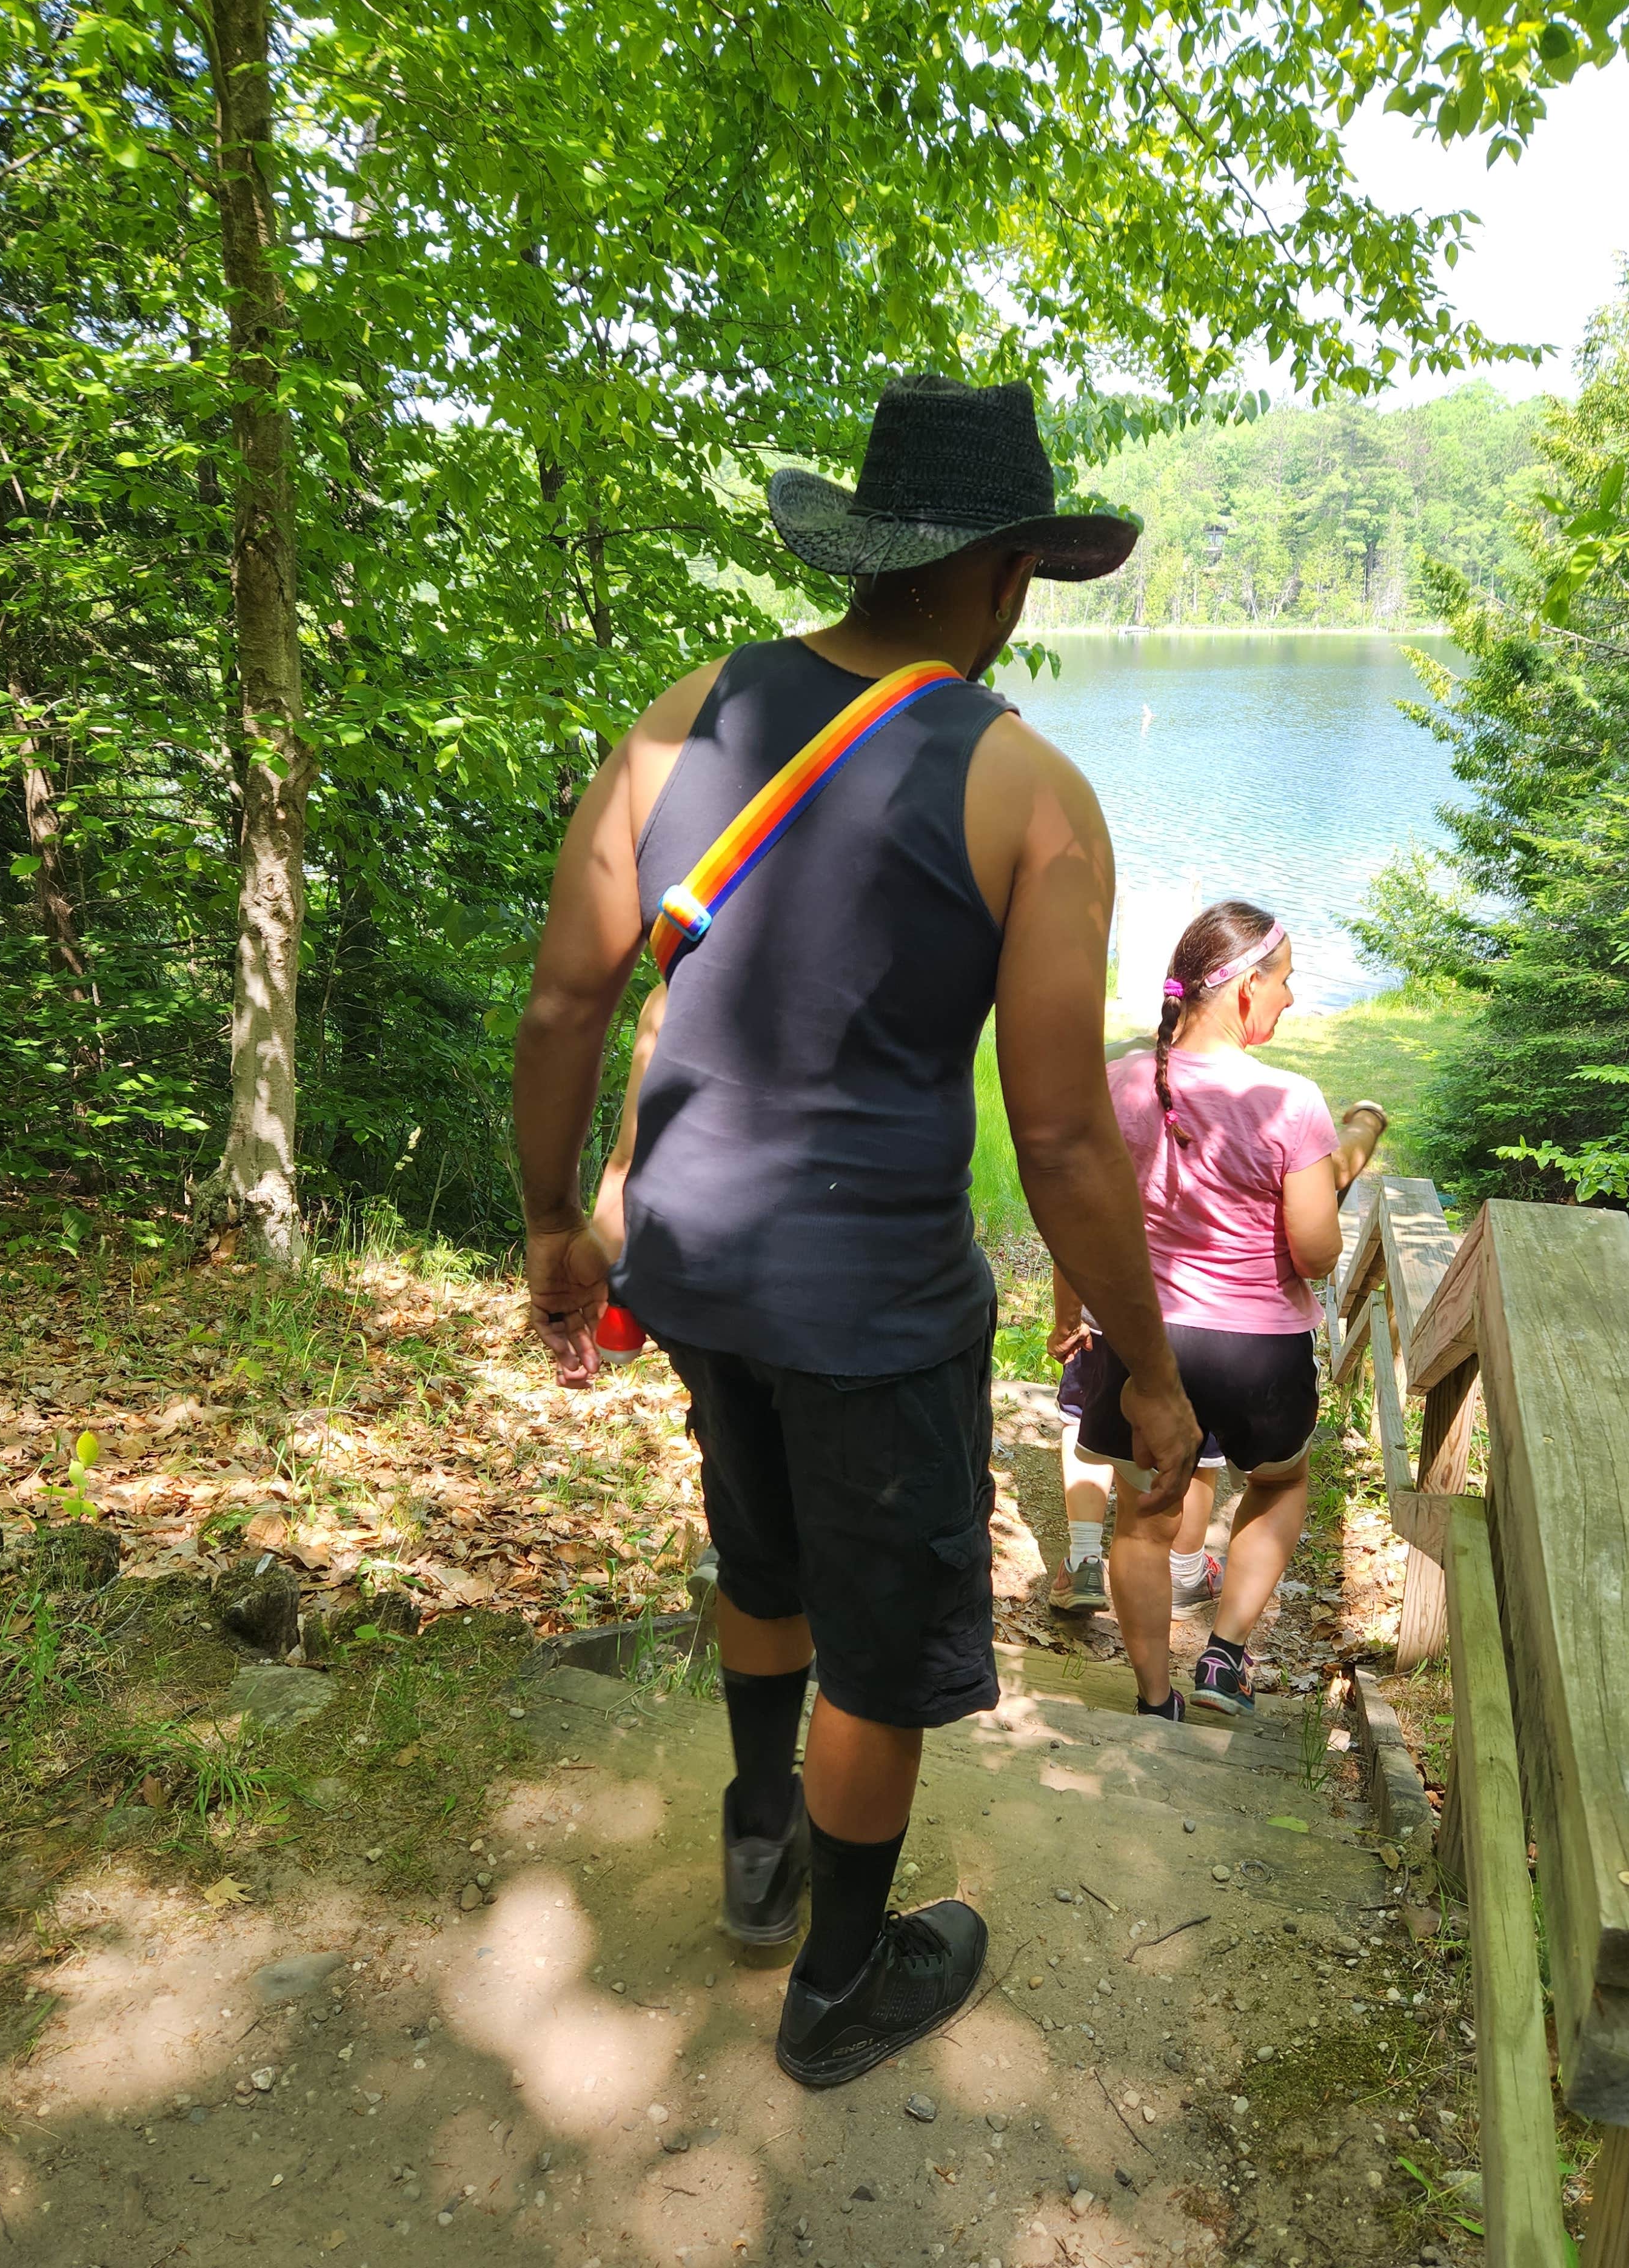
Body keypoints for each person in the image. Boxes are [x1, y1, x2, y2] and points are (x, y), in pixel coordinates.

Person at [512, 373, 1200, 2089]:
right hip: (875, 1300)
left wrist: (551, 1223)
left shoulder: (687, 717)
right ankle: (837, 1985)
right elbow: (1055, 1130)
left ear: (868, 549)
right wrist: (1153, 1368)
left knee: (760, 1555)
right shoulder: (1030, 794)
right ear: (1006, 574)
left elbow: (564, 1000)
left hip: (692, 1261)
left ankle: (760, 1841)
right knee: (881, 1652)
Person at [1066, 899, 1387, 1719]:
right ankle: (1223, 1658)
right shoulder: (1289, 1101)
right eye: (1284, 982)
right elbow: (1316, 1252)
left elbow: (1079, 1210)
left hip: (1138, 1343)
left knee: (1144, 1513)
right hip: (1255, 1350)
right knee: (1281, 1484)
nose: (1290, 998)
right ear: (1245, 991)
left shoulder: (1118, 1079)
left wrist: (1071, 1308)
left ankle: (1150, 1698)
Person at [1044, 1306, 1225, 1612]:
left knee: (1084, 1418)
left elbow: (1073, 1256)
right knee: (1194, 1433)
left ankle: (1084, 1564)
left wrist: (1069, 1317)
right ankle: (1184, 1574)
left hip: (1108, 1315)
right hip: (1206, 1325)